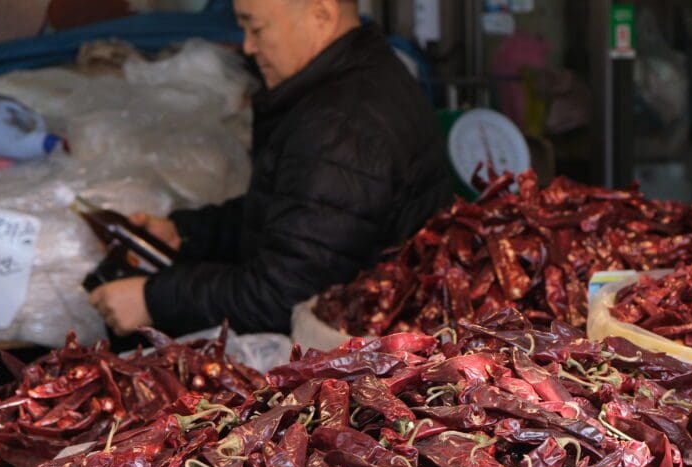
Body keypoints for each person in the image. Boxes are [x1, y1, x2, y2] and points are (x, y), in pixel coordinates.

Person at [90, 0, 449, 337]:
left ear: (321, 15)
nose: (247, 47)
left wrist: (154, 300)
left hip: (353, 355)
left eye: (256, 28)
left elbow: (283, 298)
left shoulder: (340, 128)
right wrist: (185, 234)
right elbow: (291, 215)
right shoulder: (361, 74)